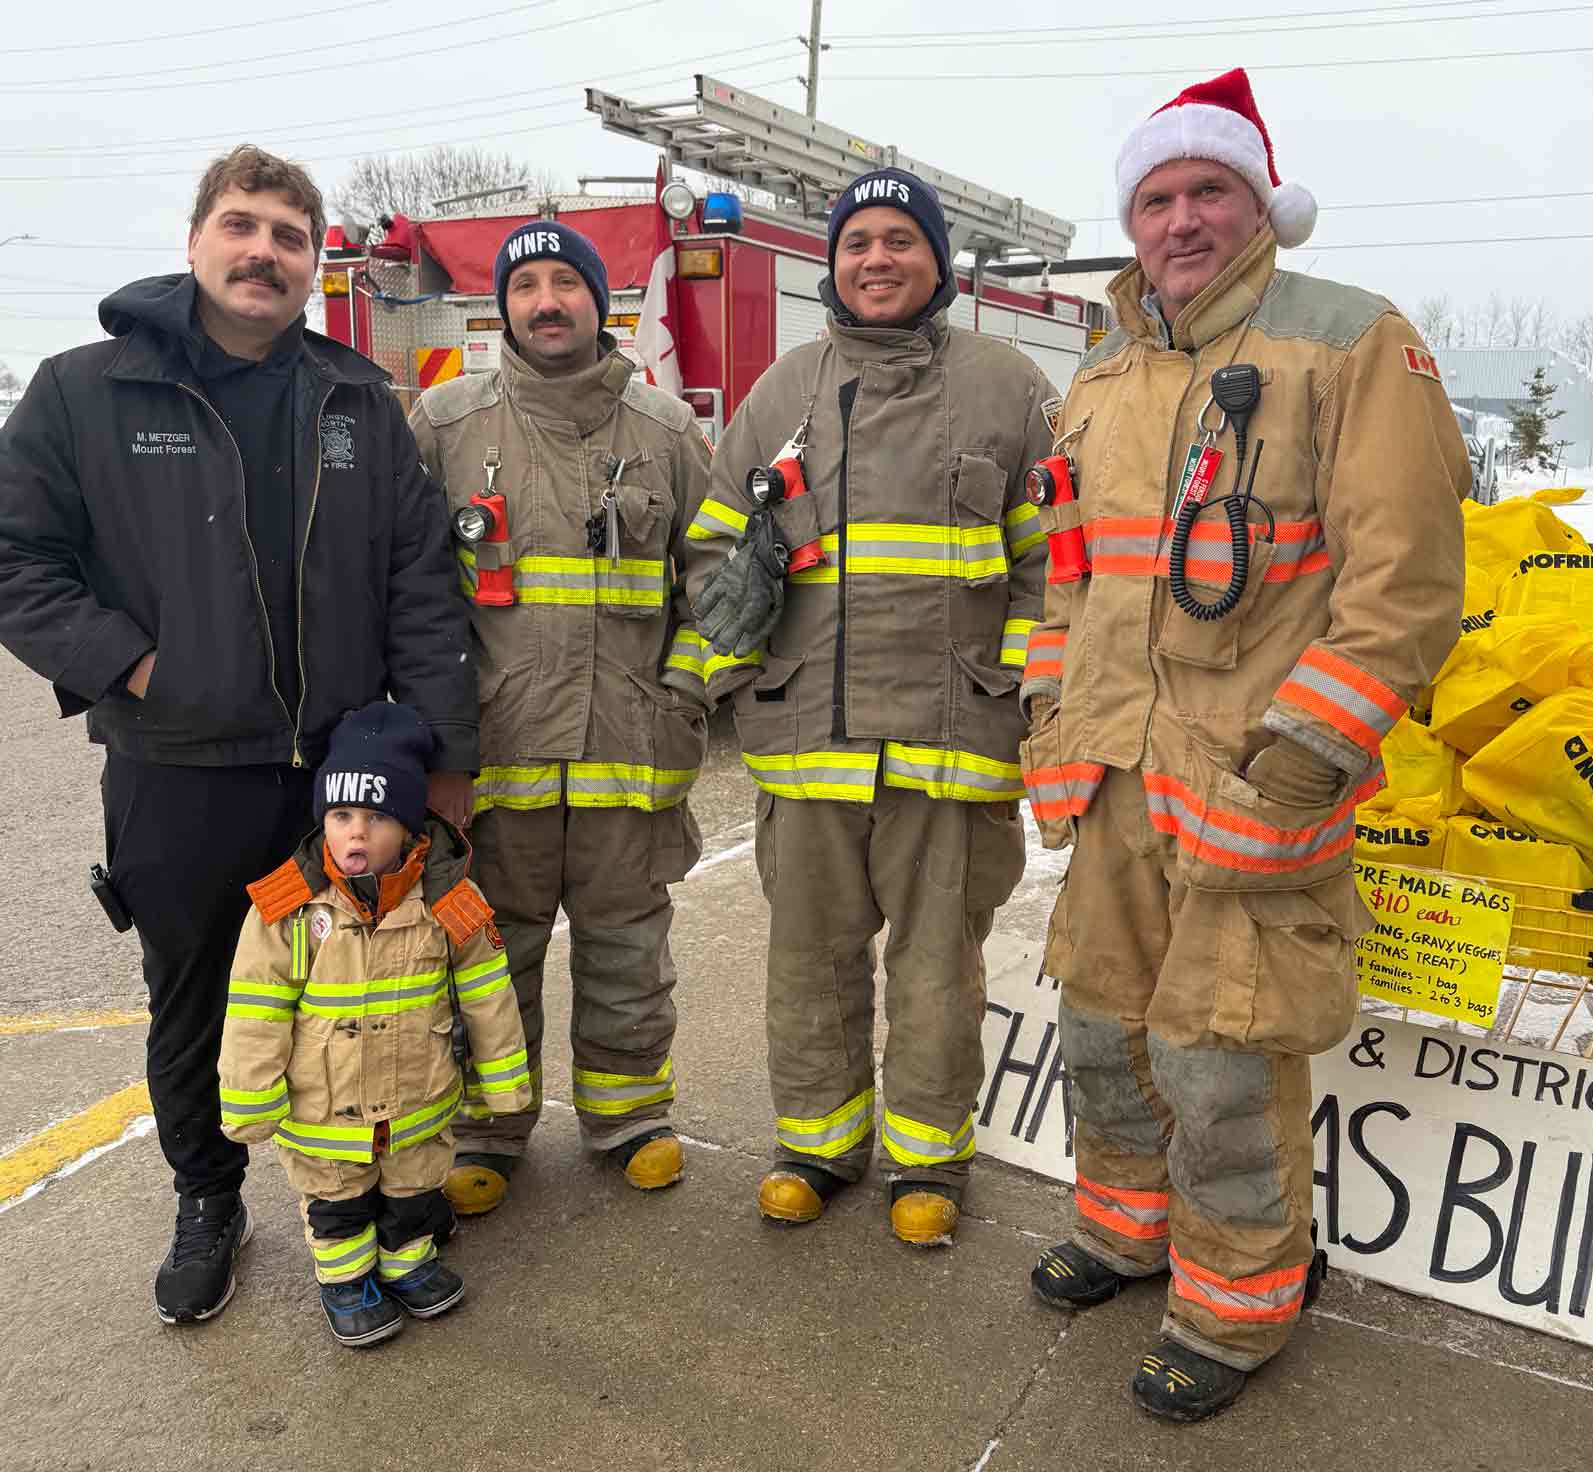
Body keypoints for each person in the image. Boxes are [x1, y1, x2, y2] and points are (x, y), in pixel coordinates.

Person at [1018, 69, 1468, 1421]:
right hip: (1109, 775)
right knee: (1102, 1029)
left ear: (1262, 203)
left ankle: (1238, 1300)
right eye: (1156, 197)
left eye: (1210, 189)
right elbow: (1073, 575)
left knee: (1222, 1054)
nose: (1182, 218)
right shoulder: (1099, 373)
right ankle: (1122, 1231)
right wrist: (1049, 714)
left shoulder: (1350, 341)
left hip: (1251, 777)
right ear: (1131, 221)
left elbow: (1409, 579)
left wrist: (1311, 747)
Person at [0, 145, 476, 1324]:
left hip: (343, 775)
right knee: (196, 994)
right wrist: (134, 664)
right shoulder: (81, 391)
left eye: (289, 235)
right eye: (241, 224)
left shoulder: (359, 400)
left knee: (385, 984)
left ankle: (380, 1190)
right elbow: (16, 559)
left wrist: (444, 754)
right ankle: (208, 1194)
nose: (264, 250)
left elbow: (421, 581)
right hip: (178, 767)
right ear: (198, 238)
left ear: (315, 263)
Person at [678, 168, 1055, 1245]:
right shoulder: (783, 390)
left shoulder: (1009, 388)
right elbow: (712, 543)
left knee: (938, 967)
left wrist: (1026, 698)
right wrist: (733, 654)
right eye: (856, 242)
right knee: (808, 960)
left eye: (900, 239)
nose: (876, 258)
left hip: (952, 739)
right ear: (829, 265)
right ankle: (817, 1145)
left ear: (938, 263)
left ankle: (930, 1159)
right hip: (808, 744)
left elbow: (1050, 569)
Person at [409, 220, 715, 1215]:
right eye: (527, 284)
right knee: (491, 952)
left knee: (629, 946)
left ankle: (627, 1116)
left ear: (601, 300)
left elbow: (714, 583)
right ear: (503, 305)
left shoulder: (666, 431)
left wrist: (681, 699)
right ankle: (490, 1127)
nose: (547, 301)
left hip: (632, 753)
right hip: (496, 758)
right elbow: (409, 592)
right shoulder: (447, 423)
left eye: (566, 283)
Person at [218, 703, 530, 1346]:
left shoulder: (449, 901)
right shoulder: (287, 909)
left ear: (411, 826)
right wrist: (251, 1101)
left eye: (377, 817)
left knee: (414, 1187)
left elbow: (487, 993)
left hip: (417, 1096)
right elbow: (255, 1009)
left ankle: (407, 1260)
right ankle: (347, 1281)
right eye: (341, 816)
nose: (356, 833)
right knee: (338, 1200)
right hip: (325, 1107)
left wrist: (503, 1084)